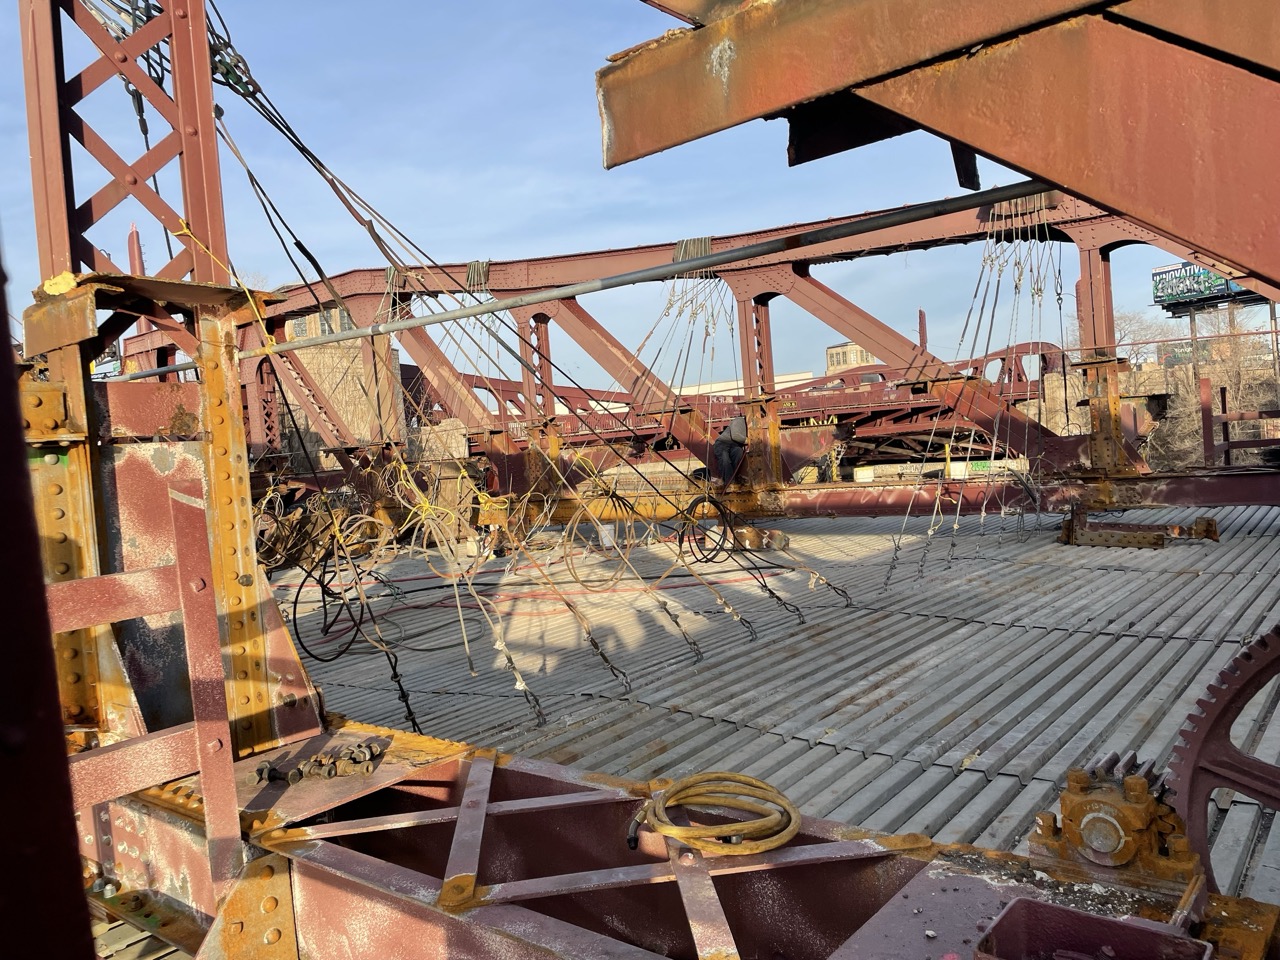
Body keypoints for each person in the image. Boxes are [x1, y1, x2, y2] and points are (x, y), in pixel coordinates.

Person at [713, 414, 748, 487]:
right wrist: (748, 440)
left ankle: (733, 478)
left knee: (739, 452)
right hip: (722, 443)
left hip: (734, 446)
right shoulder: (739, 420)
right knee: (725, 460)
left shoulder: (748, 425)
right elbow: (735, 436)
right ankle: (729, 482)